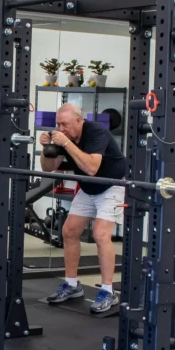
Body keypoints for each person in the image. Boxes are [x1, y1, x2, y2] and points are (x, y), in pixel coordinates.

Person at [40, 103, 127, 313]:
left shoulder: (97, 132)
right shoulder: (63, 136)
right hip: (89, 188)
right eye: (58, 124)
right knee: (69, 231)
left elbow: (91, 167)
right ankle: (72, 284)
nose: (61, 128)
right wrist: (47, 149)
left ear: (79, 121)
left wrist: (66, 143)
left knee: (100, 234)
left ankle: (108, 291)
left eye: (65, 124)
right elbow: (48, 168)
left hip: (112, 185)